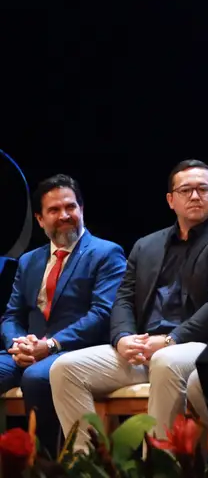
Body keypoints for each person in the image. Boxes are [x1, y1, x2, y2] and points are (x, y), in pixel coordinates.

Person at [49, 161, 208, 450]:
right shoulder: (147, 245)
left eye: (203, 189)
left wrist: (171, 340)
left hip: (200, 346)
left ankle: (159, 465)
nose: (195, 196)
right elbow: (123, 298)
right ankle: (88, 462)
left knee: (165, 361)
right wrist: (123, 338)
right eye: (185, 190)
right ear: (171, 200)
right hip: (144, 347)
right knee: (64, 368)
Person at [1, 175, 126, 452]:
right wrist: (18, 345)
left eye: (71, 207)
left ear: (82, 209)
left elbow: (102, 313)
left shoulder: (106, 253)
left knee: (36, 377)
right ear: (40, 219)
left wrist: (50, 345)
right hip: (30, 350)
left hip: (76, 350)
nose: (64, 215)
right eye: (54, 210)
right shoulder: (29, 260)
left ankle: (48, 463)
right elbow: (11, 315)